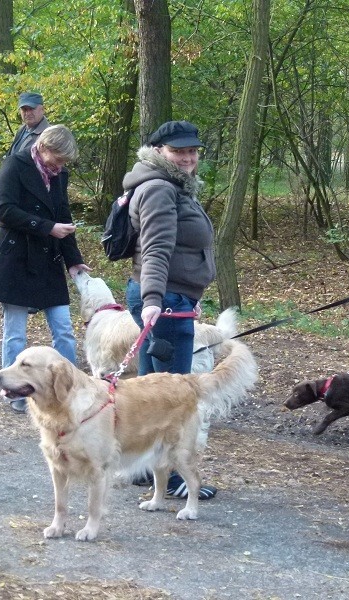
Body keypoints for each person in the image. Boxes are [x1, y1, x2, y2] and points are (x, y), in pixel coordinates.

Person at [122, 120, 218, 500]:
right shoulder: (161, 189)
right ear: (159, 151)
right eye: (179, 151)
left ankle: (144, 469)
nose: (188, 156)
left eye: (192, 150)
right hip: (165, 301)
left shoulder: (171, 185)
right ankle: (176, 478)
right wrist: (153, 303)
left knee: (148, 392)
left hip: (171, 298)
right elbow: (156, 250)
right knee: (174, 400)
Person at [0, 125, 89, 413]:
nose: (61, 165)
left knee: (64, 328)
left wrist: (73, 259)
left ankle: (73, 389)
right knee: (15, 331)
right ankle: (15, 392)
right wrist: (47, 227)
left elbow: (63, 217)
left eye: (65, 161)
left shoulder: (60, 175)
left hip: (48, 260)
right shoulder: (16, 164)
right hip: (15, 259)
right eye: (58, 158)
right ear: (43, 147)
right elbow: (4, 210)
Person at [6, 92, 50, 157]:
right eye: (24, 109)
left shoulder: (49, 135)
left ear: (42, 109)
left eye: (32, 109)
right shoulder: (21, 130)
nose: (28, 113)